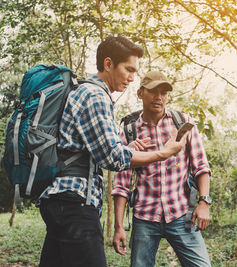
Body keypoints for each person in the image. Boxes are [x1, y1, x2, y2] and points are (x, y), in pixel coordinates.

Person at [37, 36, 187, 267]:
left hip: (59, 200)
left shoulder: (83, 92)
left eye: (135, 71)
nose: (131, 78)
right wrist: (164, 153)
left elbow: (92, 149)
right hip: (76, 204)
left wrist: (125, 148)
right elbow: (113, 159)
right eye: (128, 69)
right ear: (108, 64)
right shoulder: (96, 96)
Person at [112, 70, 212, 267]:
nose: (159, 97)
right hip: (145, 217)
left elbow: (201, 165)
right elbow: (121, 185)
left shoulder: (183, 123)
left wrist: (204, 202)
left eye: (164, 92)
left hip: (181, 213)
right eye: (153, 91)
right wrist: (118, 227)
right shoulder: (130, 132)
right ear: (140, 93)